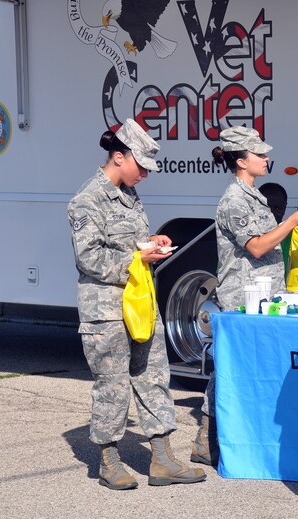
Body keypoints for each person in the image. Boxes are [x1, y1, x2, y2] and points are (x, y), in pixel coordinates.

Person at [67, 119, 206, 490]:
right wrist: (137, 260)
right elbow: (89, 258)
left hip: (140, 303)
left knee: (154, 376)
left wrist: (151, 242)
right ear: (118, 156)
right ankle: (109, 460)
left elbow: (131, 242)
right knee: (112, 385)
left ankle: (162, 459)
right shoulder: (87, 199)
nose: (145, 174)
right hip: (106, 310)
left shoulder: (129, 195)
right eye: (141, 166)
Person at [191, 127, 298, 466]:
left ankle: (236, 437)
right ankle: (207, 439)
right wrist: (292, 221)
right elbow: (258, 245)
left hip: (266, 295)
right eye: (259, 155)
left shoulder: (254, 196)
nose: (266, 159)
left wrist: (296, 225)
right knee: (231, 369)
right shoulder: (234, 201)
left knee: (253, 368)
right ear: (241, 160)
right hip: (243, 298)